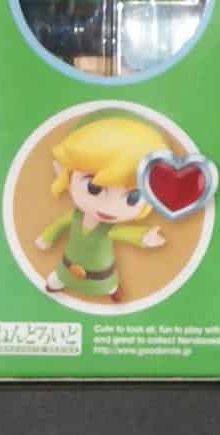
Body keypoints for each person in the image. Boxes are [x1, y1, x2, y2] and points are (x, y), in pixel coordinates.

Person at [33, 114, 169, 302]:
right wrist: (47, 236)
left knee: (108, 284)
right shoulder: (75, 216)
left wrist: (144, 237)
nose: (111, 207)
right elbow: (58, 224)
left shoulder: (108, 228)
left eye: (133, 197)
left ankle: (112, 289)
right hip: (67, 265)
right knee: (58, 277)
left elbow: (122, 233)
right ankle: (58, 282)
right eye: (93, 188)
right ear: (66, 173)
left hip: (101, 273)